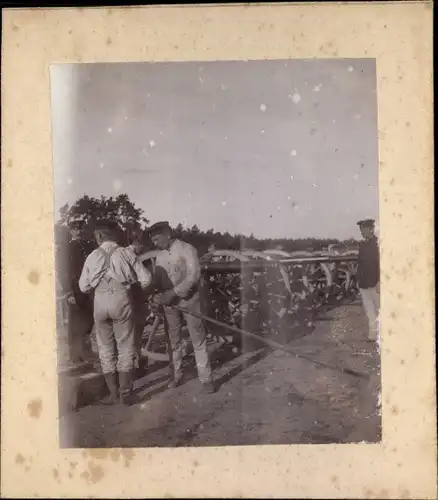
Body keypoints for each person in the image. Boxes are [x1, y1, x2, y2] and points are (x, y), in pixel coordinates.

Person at [79, 220, 152, 405]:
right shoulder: (125, 253)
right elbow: (146, 279)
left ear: (100, 237)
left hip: (100, 302)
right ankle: (126, 393)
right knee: (125, 346)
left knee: (105, 349)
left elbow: (83, 287)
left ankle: (113, 394)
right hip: (121, 300)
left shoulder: (92, 256)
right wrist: (132, 288)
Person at [148, 221, 215, 393]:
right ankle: (177, 374)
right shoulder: (160, 255)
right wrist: (155, 294)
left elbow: (193, 276)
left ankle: (206, 378)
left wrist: (173, 293)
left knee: (197, 339)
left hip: (189, 300)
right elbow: (157, 279)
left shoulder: (187, 249)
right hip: (170, 305)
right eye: (153, 240)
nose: (154, 243)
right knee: (173, 340)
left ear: (167, 234)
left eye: (157, 239)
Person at [56, 222, 95, 364]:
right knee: (75, 323)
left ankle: (86, 350)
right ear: (70, 231)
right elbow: (62, 272)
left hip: (88, 289)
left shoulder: (87, 246)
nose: (78, 231)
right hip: (74, 289)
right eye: (75, 229)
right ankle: (74, 355)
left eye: (80, 228)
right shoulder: (65, 249)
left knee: (88, 321)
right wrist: (68, 292)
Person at [356, 218, 380, 341]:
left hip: (375, 283)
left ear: (371, 229)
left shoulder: (378, 244)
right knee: (370, 312)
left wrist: (380, 281)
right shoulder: (362, 245)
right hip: (364, 284)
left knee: (380, 310)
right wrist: (358, 280)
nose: (362, 232)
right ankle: (372, 335)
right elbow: (360, 265)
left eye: (364, 229)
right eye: (361, 230)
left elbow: (381, 264)